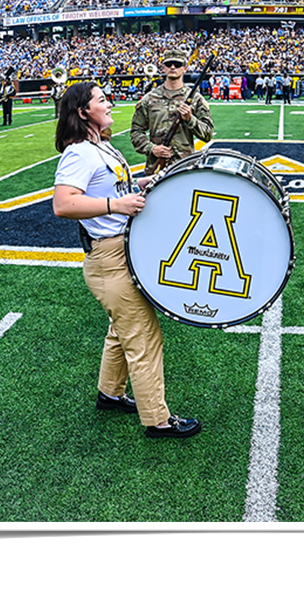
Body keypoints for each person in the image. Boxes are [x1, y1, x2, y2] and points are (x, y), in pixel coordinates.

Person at [52, 81, 202, 438]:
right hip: (108, 257)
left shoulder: (101, 148)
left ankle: (110, 393)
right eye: (102, 100)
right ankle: (158, 419)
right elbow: (63, 204)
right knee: (144, 335)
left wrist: (145, 183)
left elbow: (116, 191)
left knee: (122, 330)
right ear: (83, 111)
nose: (111, 104)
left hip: (121, 250)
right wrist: (115, 205)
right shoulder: (78, 153)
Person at [130, 49, 214, 175]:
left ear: (185, 68)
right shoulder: (149, 98)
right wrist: (152, 148)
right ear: (163, 68)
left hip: (185, 167)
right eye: (169, 64)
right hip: (156, 168)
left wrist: (190, 119)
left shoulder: (195, 99)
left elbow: (207, 134)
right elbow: (136, 131)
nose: (173, 67)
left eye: (177, 64)